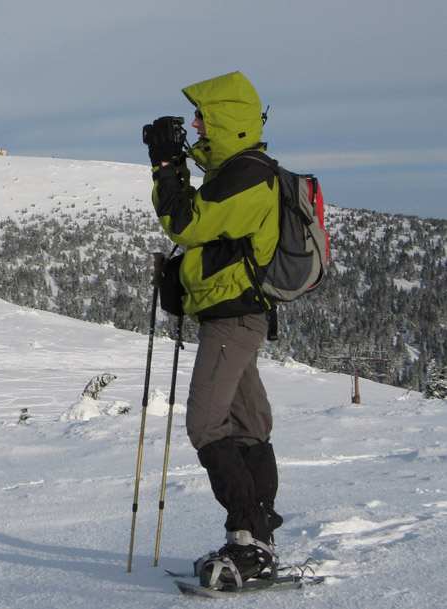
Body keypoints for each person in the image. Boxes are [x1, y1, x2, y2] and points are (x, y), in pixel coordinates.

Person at [144, 71, 283, 589]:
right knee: (248, 426)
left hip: (234, 322)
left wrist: (165, 165)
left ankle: (248, 536)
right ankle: (258, 541)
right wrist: (177, 158)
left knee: (206, 424)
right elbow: (216, 244)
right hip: (233, 318)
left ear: (226, 118)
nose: (197, 124)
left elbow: (186, 223)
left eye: (204, 117)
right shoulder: (238, 171)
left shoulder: (248, 175)